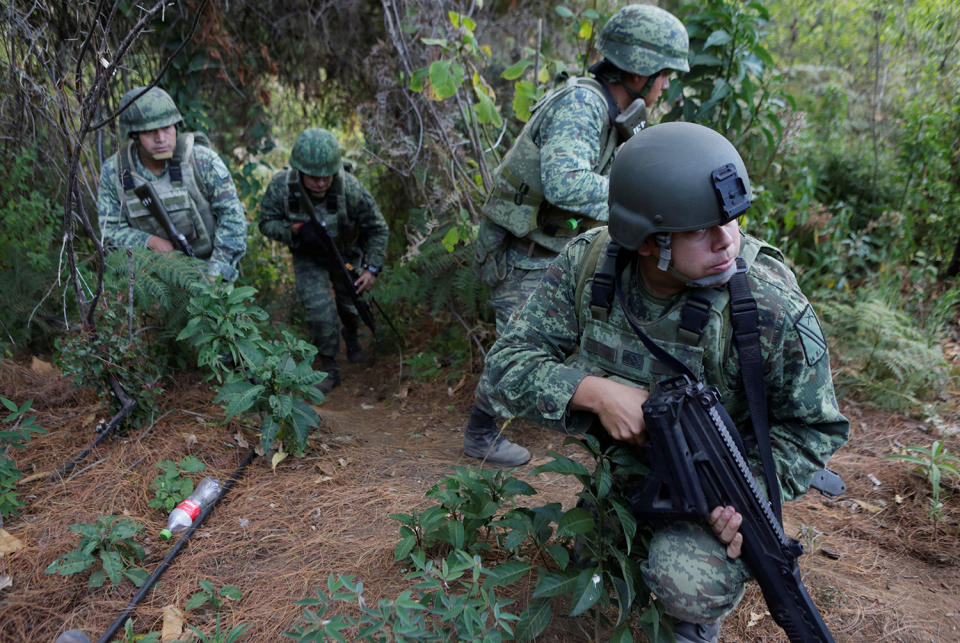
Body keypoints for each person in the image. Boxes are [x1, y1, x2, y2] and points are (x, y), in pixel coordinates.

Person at [480, 122, 849, 642]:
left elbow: (815, 430)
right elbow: (503, 368)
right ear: (649, 242)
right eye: (700, 228)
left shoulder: (768, 306)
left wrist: (748, 495)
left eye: (732, 219)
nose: (727, 240)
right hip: (631, 473)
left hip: (724, 480)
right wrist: (596, 392)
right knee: (586, 560)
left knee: (687, 584)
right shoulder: (590, 266)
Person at [465, 4, 691, 466]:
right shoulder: (582, 104)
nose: (667, 84)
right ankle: (480, 434)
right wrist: (645, 204)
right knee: (521, 347)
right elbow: (566, 182)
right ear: (638, 67)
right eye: (664, 73)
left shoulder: (622, 109)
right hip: (522, 253)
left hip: (558, 248)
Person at [258, 127, 389, 393]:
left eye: (326, 176)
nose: (320, 182)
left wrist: (371, 268)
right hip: (309, 257)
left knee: (351, 304)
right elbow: (266, 223)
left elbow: (378, 228)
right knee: (319, 312)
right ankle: (328, 364)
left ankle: (351, 335)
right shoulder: (282, 187)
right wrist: (295, 231)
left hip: (346, 255)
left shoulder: (350, 189)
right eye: (313, 176)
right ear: (299, 170)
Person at [98, 86, 247, 281]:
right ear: (134, 135)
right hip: (151, 278)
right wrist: (150, 242)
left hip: (210, 266)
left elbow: (233, 219)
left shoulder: (202, 161)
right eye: (150, 132)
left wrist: (215, 275)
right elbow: (109, 232)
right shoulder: (115, 172)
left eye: (167, 128)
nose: (161, 139)